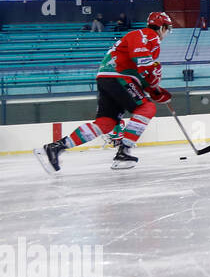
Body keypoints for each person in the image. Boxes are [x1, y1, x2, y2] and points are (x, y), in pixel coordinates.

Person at [36, 11, 174, 172]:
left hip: (109, 77)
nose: (167, 33)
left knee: (106, 123)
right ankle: (124, 151)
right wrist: (153, 74)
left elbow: (141, 73)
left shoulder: (143, 37)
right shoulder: (148, 35)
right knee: (147, 108)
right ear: (162, 27)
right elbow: (140, 58)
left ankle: (56, 147)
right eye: (168, 29)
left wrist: (155, 90)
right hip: (118, 76)